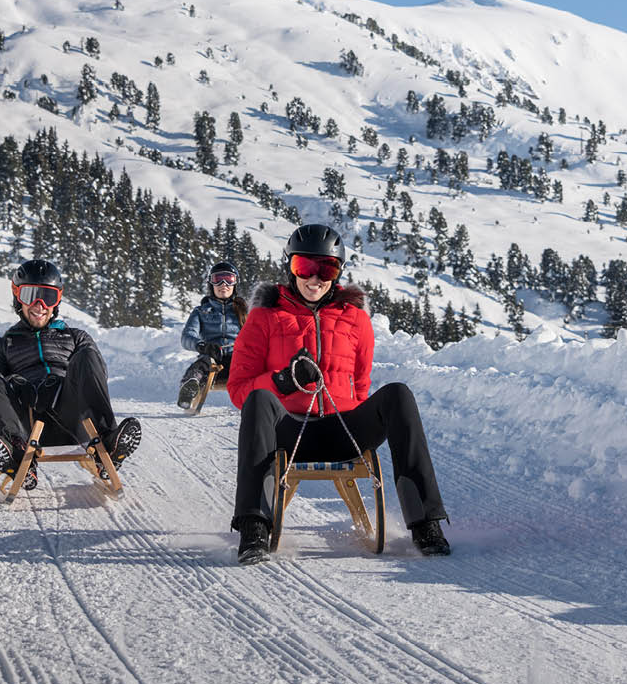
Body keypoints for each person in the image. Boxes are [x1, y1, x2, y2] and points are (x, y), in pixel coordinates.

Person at [227, 224, 450, 564]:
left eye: (326, 268)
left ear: (338, 271)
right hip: (288, 433)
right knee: (258, 399)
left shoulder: (356, 319)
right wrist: (283, 381)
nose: (315, 278)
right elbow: (238, 391)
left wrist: (351, 413)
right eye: (304, 267)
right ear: (290, 267)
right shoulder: (264, 318)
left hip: (343, 432)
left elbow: (360, 386)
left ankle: (426, 524)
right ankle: (254, 527)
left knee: (398, 394)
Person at [0, 258, 141, 488]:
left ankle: (107, 443)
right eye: (31, 295)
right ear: (17, 297)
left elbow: (96, 372)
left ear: (57, 300)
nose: (40, 305)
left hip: (75, 419)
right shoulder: (3, 345)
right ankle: (15, 453)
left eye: (48, 297)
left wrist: (60, 382)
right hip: (26, 422)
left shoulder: (76, 337)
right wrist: (15, 383)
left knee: (87, 356)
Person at [177, 261, 248, 408]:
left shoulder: (244, 311)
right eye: (218, 279)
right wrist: (202, 346)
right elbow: (186, 337)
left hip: (238, 362)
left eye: (229, 279)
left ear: (235, 284)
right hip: (212, 360)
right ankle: (190, 388)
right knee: (204, 362)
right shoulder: (201, 311)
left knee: (256, 365)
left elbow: (257, 335)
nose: (223, 284)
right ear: (211, 284)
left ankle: (264, 399)